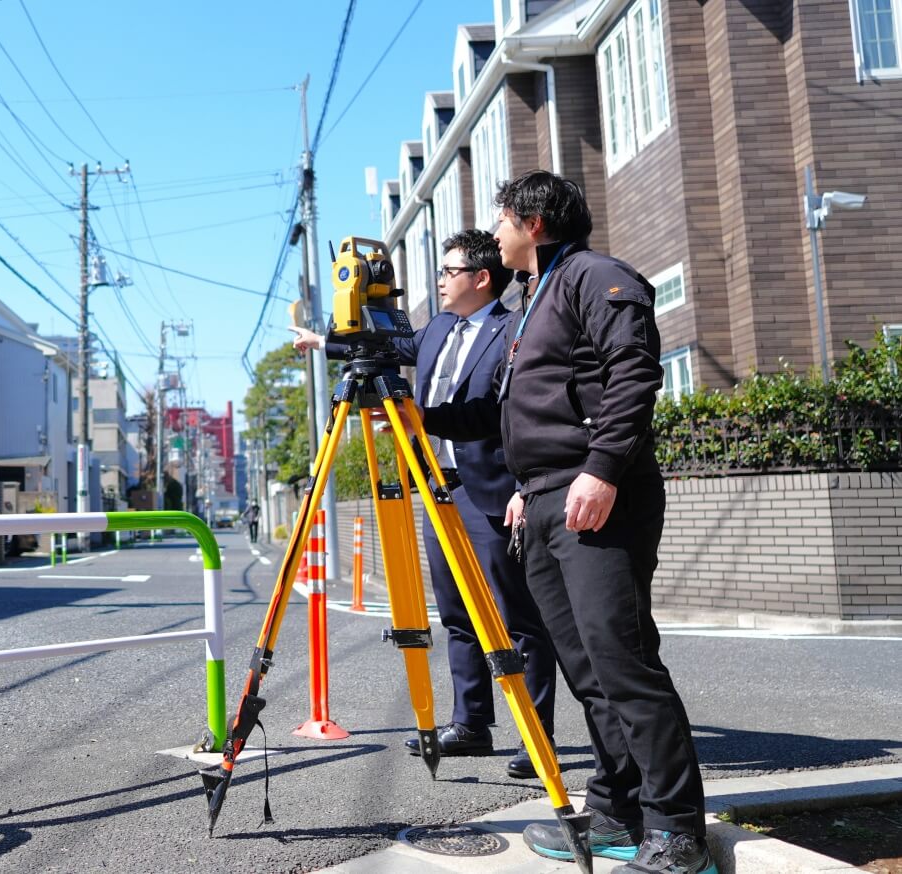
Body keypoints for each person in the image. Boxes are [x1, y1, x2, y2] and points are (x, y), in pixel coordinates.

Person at [426, 170, 711, 874]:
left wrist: (602, 468)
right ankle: (616, 812)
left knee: (622, 662)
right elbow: (503, 413)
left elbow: (636, 373)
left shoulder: (594, 276)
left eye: (502, 220)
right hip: (548, 499)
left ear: (535, 223)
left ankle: (678, 830)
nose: (494, 234)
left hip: (598, 496)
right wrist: (425, 422)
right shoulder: (532, 298)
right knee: (586, 671)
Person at [290, 228, 556, 781]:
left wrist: (521, 488)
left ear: (482, 279)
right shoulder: (436, 328)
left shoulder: (512, 332)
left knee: (518, 619)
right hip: (440, 487)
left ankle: (536, 735)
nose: (437, 280)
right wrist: (322, 343)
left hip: (496, 490)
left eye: (449, 271)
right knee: (457, 613)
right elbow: (387, 347)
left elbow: (502, 415)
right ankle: (472, 722)